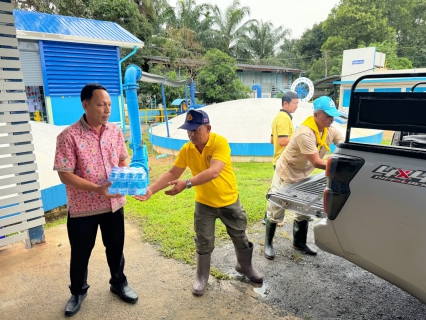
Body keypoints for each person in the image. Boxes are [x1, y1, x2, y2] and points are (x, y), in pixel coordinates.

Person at [135, 109, 263, 296]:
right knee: (203, 240)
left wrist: (186, 183)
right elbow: (172, 173)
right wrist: (151, 190)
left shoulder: (220, 143)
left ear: (208, 128)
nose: (191, 134)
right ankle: (202, 277)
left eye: (196, 130)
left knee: (239, 235)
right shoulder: (187, 149)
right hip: (204, 204)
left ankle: (245, 266)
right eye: (189, 130)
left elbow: (214, 172)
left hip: (229, 200)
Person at [53, 84, 138, 317]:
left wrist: (125, 173)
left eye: (109, 104)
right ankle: (78, 291)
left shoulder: (115, 131)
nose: (107, 109)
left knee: (116, 247)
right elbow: (64, 173)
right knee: (81, 252)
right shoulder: (68, 136)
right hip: (83, 209)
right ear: (86, 104)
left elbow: (123, 157)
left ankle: (118, 282)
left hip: (114, 204)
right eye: (101, 104)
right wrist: (98, 189)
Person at [264, 96, 344, 260]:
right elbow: (316, 161)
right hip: (286, 173)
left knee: (304, 209)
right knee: (276, 208)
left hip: (304, 174)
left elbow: (344, 143)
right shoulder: (305, 133)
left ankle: (299, 242)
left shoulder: (330, 129)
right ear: (316, 115)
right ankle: (268, 243)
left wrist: (348, 153)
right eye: (328, 116)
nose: (331, 119)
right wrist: (341, 166)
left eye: (332, 115)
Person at [263, 91, 299, 225]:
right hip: (283, 161)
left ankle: (271, 216)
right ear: (285, 103)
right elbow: (282, 141)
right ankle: (269, 217)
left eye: (297, 103)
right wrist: (298, 139)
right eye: (294, 103)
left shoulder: (278, 117)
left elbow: (273, 140)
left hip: (279, 159)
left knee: (278, 190)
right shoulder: (284, 118)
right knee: (279, 192)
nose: (296, 106)